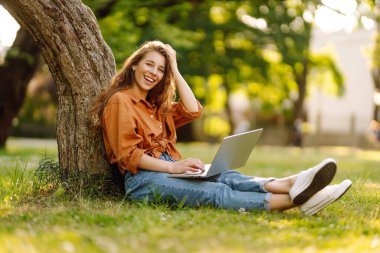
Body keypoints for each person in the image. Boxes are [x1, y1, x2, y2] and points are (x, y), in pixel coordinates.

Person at [90, 41, 352, 215]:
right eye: (149, 64)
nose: (154, 73)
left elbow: (193, 110)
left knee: (228, 176)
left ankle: (299, 183)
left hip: (167, 169)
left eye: (161, 69)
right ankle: (300, 199)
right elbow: (129, 155)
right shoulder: (120, 101)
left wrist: (176, 70)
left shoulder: (154, 106)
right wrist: (173, 166)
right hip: (143, 181)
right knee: (215, 191)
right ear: (134, 64)